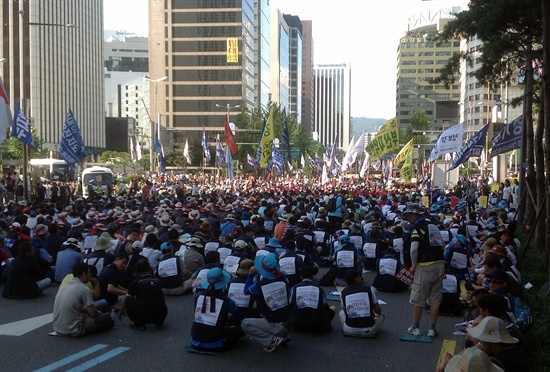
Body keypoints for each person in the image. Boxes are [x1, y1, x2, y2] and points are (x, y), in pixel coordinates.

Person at [404, 203, 445, 337]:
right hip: (440, 265)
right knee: (435, 299)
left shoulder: (416, 228)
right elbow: (442, 245)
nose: (408, 217)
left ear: (417, 214)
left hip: (424, 265)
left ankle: (415, 327)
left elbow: (414, 248)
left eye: (410, 214)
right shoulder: (433, 225)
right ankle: (432, 329)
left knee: (418, 298)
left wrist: (413, 265)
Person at [242, 253, 293, 352]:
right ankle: (284, 335)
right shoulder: (284, 279)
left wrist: (251, 275)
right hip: (289, 321)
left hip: (275, 323)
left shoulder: (259, 286)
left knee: (245, 323)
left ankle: (272, 340)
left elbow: (246, 291)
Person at [52, 263, 114, 337]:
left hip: (57, 328)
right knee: (107, 318)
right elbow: (93, 313)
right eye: (88, 273)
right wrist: (99, 313)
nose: (89, 276)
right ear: (84, 274)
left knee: (86, 314)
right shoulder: (84, 289)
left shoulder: (65, 285)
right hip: (73, 329)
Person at [190, 267, 244, 351]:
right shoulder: (227, 301)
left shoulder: (198, 296)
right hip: (216, 344)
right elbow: (238, 317)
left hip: (195, 340)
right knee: (241, 326)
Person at [467, 316, 533, 372]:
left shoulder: (497, 363)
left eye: (482, 340)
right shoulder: (518, 350)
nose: (481, 344)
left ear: (489, 341)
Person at [118, 259, 167, 330]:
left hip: (145, 316)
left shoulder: (136, 282)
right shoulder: (157, 281)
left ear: (136, 271)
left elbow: (127, 297)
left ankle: (139, 323)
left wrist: (121, 309)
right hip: (161, 315)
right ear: (149, 268)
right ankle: (159, 322)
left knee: (128, 299)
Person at [290, 265, 336, 332]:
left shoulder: (294, 288)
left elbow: (290, 304)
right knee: (333, 308)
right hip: (317, 326)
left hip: (297, 326)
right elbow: (325, 306)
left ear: (300, 276)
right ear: (313, 276)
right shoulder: (319, 289)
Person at [339, 270, 384, 338]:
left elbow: (345, 311)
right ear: (356, 279)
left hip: (349, 330)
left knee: (341, 312)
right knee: (381, 316)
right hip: (369, 330)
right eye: (360, 277)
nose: (361, 278)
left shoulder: (343, 292)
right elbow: (378, 311)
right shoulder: (369, 289)